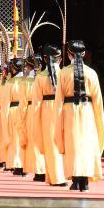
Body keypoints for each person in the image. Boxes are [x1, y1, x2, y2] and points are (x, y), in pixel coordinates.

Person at [54, 40, 104, 192]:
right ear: (83, 54)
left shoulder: (63, 72)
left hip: (69, 111)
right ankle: (85, 181)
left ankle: (76, 180)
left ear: (68, 54)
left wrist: (58, 118)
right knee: (87, 144)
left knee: (73, 144)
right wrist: (98, 119)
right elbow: (98, 100)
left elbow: (59, 99)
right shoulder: (92, 73)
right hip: (88, 111)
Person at [33, 46, 66, 186]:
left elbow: (36, 102)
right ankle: (62, 175)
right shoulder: (65, 74)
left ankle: (55, 177)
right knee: (63, 142)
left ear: (45, 60)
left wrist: (35, 119)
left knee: (51, 143)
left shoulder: (40, 77)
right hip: (64, 108)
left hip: (47, 110)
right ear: (60, 59)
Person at [0, 58, 26, 175]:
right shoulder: (27, 81)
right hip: (25, 110)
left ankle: (16, 164)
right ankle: (24, 164)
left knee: (14, 139)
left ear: (14, 69)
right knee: (24, 138)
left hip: (13, 111)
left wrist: (3, 119)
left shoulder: (10, 83)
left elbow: (5, 103)